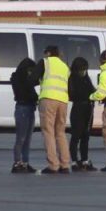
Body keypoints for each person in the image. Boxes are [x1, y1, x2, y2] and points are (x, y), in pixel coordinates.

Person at [38, 45, 72, 174]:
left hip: (48, 99)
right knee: (60, 132)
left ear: (48, 53)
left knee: (48, 132)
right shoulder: (65, 66)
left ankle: (53, 165)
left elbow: (32, 78)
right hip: (63, 100)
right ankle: (65, 164)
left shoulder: (45, 62)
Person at [10, 57, 40, 173]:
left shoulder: (21, 78)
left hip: (28, 108)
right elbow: (25, 91)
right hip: (23, 107)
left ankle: (25, 162)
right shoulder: (19, 79)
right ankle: (18, 162)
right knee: (21, 138)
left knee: (27, 138)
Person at [68, 56, 96, 172]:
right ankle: (74, 161)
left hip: (88, 108)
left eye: (85, 69)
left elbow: (92, 89)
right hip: (78, 107)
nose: (83, 72)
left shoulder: (86, 78)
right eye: (81, 69)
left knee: (86, 135)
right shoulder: (72, 78)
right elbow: (72, 95)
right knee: (76, 136)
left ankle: (84, 160)